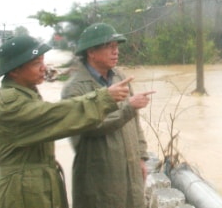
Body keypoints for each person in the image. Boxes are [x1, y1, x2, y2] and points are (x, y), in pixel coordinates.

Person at [0, 35, 136, 208]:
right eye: (36, 64)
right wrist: (103, 99)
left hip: (37, 187)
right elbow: (57, 116)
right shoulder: (8, 104)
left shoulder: (26, 94)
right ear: (14, 71)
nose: (44, 68)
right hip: (22, 193)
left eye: (43, 62)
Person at [61, 23, 154, 208]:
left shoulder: (119, 77)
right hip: (99, 175)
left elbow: (135, 123)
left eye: (117, 46)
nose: (116, 51)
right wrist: (128, 107)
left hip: (129, 170)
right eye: (109, 47)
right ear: (91, 52)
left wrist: (141, 157)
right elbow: (89, 127)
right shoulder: (75, 88)